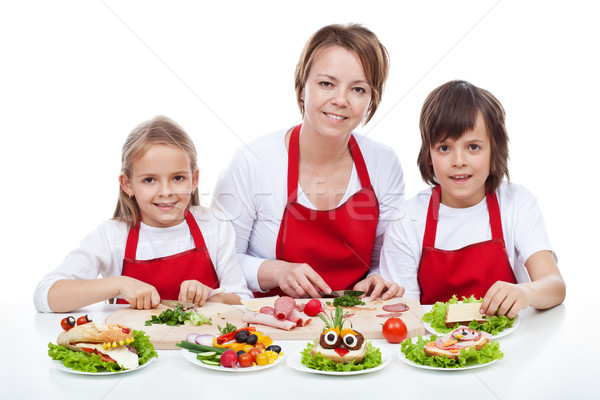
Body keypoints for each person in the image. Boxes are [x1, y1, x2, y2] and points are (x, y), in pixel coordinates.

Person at [213, 24, 404, 300]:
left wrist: (377, 278)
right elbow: (222, 264)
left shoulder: (384, 163)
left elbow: (384, 260)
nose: (340, 100)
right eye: (326, 84)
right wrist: (278, 272)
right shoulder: (252, 162)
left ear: (371, 98)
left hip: (353, 321)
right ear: (303, 88)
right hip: (270, 329)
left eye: (358, 89)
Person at [380, 80, 566, 317]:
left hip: (511, 347)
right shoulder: (406, 220)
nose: (459, 160)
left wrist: (526, 292)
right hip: (436, 348)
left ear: (494, 151)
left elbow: (555, 286)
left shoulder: (517, 203)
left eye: (473, 147)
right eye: (444, 148)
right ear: (428, 154)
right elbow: (406, 316)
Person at [34, 116, 252, 313]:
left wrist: (210, 295)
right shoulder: (112, 236)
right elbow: (45, 295)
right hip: (132, 354)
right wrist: (118, 284)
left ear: (194, 180)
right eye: (150, 180)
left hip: (199, 352)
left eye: (177, 178)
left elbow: (243, 300)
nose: (166, 191)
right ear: (127, 184)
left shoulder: (214, 226)